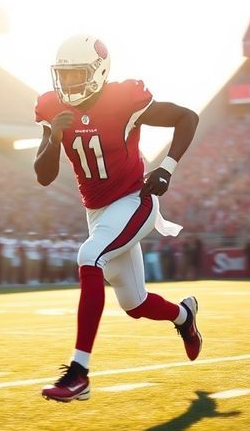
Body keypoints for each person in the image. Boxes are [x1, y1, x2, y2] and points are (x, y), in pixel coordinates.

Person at [34, 34, 201, 403]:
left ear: (97, 72)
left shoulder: (123, 98)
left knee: (88, 257)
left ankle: (79, 374)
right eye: (63, 76)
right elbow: (43, 175)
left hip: (134, 200)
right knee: (135, 304)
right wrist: (54, 136)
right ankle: (184, 317)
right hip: (97, 212)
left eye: (76, 75)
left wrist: (167, 168)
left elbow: (186, 117)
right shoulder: (51, 107)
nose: (67, 84)